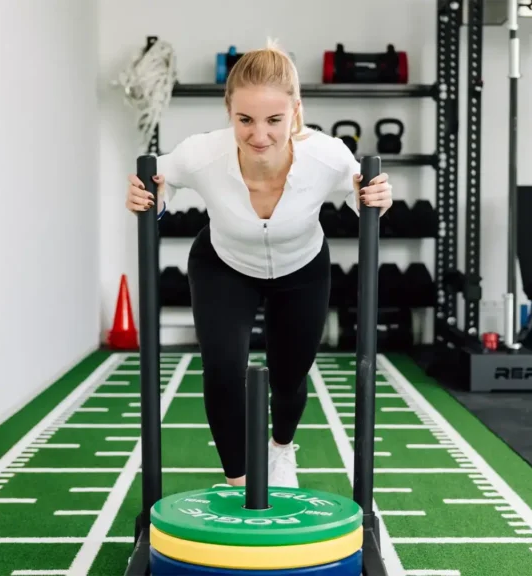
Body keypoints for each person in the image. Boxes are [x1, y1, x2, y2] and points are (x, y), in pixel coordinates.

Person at [125, 40, 393, 489]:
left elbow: (360, 196)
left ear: (296, 112)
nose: (259, 135)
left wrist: (378, 198)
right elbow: (160, 181)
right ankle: (237, 481)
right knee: (224, 371)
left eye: (274, 120)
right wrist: (149, 199)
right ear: (229, 110)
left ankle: (281, 450)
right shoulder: (202, 153)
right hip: (223, 266)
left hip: (302, 269)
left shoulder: (327, 155)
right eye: (244, 120)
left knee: (289, 379)